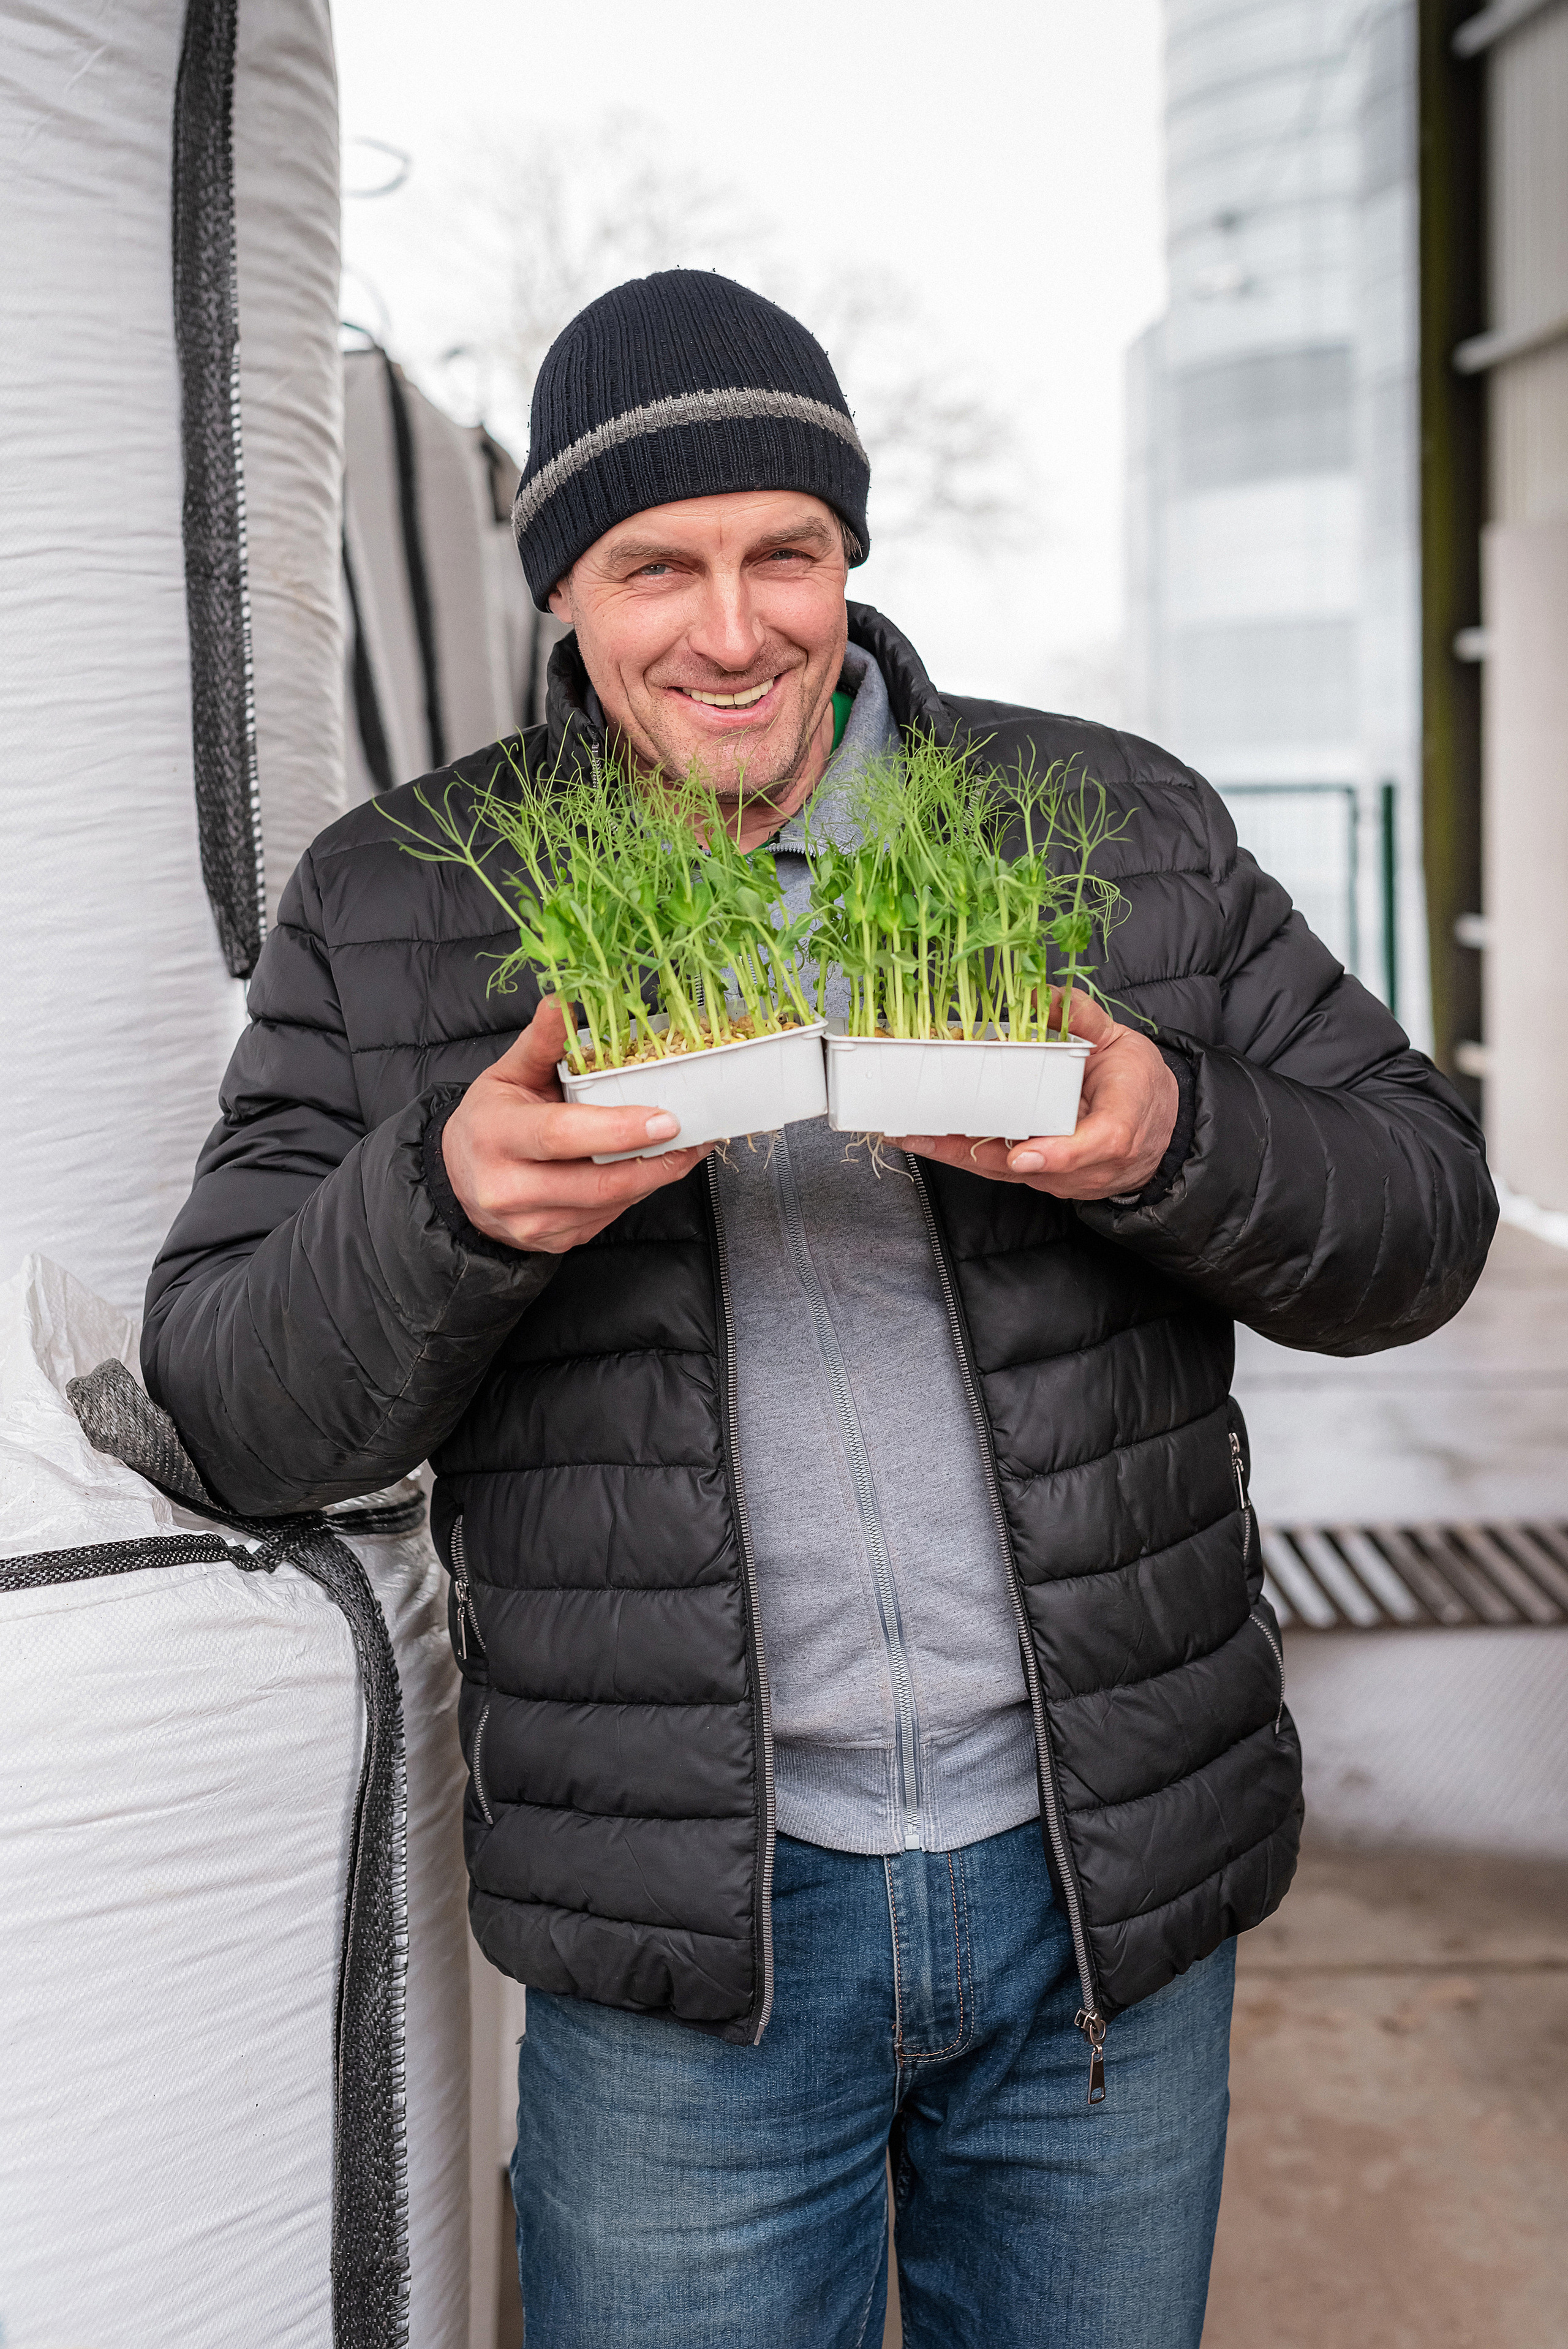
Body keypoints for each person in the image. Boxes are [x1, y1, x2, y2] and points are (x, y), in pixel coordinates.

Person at [143, 271, 1496, 2347]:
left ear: (850, 551)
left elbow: (1428, 1211)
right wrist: (448, 1200)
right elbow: (228, 1405)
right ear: (562, 591)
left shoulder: (1118, 826)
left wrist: (1173, 1132)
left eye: (785, 551)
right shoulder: (394, 899)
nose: (732, 628)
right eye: (654, 567)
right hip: (690, 1943)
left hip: (1105, 1903)